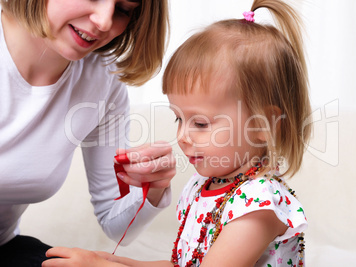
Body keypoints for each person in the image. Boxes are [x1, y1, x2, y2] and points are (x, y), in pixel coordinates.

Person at [43, 0, 311, 266]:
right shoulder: (202, 187)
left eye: (201, 124)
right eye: (178, 119)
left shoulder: (258, 205)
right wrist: (116, 261)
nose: (182, 136)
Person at [0, 0, 176, 266]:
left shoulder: (103, 80)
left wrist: (151, 189)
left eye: (123, 10)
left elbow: (115, 224)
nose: (104, 22)